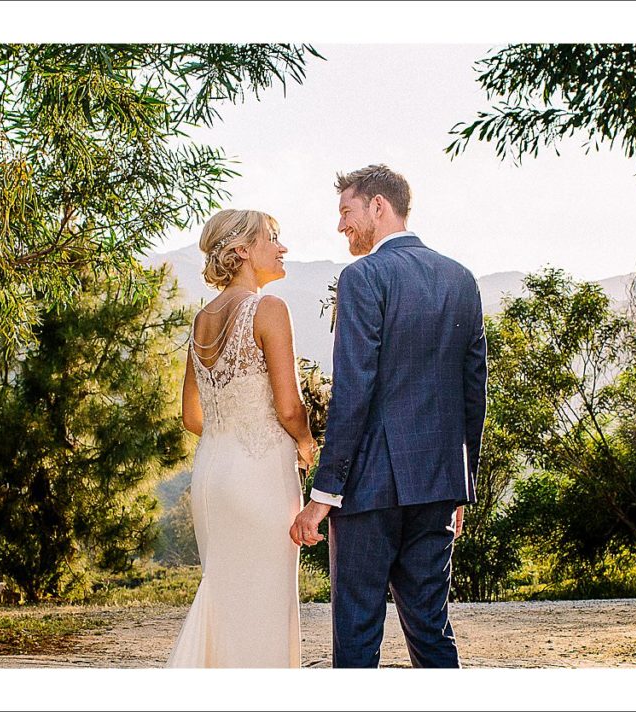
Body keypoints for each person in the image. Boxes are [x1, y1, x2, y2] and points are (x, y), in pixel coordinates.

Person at [290, 164, 488, 668]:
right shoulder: (460, 278)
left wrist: (323, 494)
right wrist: (461, 485)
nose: (341, 227)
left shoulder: (362, 277)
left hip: (369, 490)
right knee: (430, 628)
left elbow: (354, 391)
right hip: (438, 487)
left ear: (378, 206)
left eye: (346, 212)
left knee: (356, 636)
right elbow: (473, 394)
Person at [167, 208, 317, 668]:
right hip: (260, 477)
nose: (283, 246)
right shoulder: (269, 310)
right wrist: (308, 443)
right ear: (242, 251)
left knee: (226, 599)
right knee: (264, 606)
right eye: (273, 237)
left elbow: (192, 416)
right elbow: (289, 408)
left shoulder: (201, 320)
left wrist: (231, 427)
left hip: (212, 473)